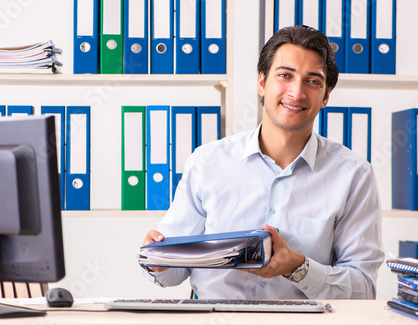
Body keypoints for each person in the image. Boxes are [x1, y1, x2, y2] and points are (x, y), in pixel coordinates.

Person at [142, 25, 384, 299]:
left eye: (313, 81)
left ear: (326, 97)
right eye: (285, 75)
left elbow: (363, 288)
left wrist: (297, 267)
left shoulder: (354, 175)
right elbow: (174, 271)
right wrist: (159, 262)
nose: (297, 92)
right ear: (262, 82)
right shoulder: (207, 163)